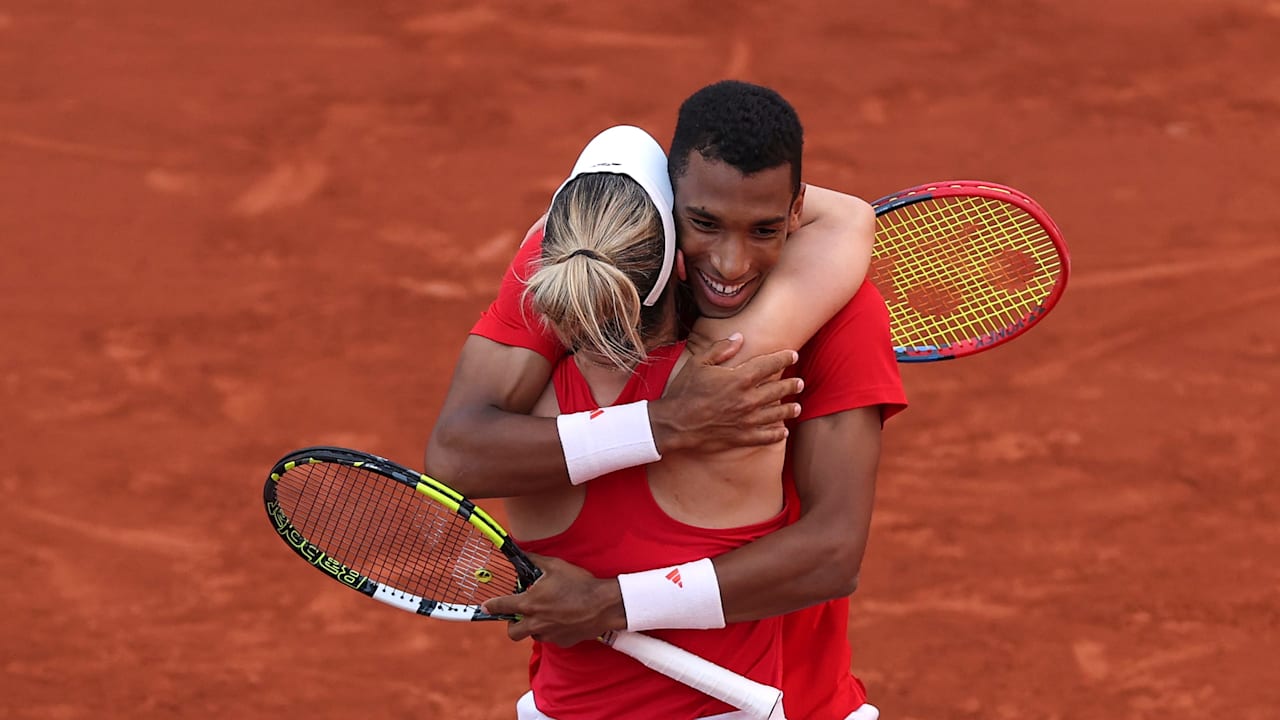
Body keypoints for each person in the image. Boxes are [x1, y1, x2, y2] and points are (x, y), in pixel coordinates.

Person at [427, 81, 906, 720]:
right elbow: (456, 453)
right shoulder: (580, 276)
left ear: (795, 214)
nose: (732, 265)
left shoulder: (843, 314)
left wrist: (609, 602)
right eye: (703, 223)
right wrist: (664, 423)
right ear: (666, 208)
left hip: (804, 699)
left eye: (763, 228)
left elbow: (832, 552)